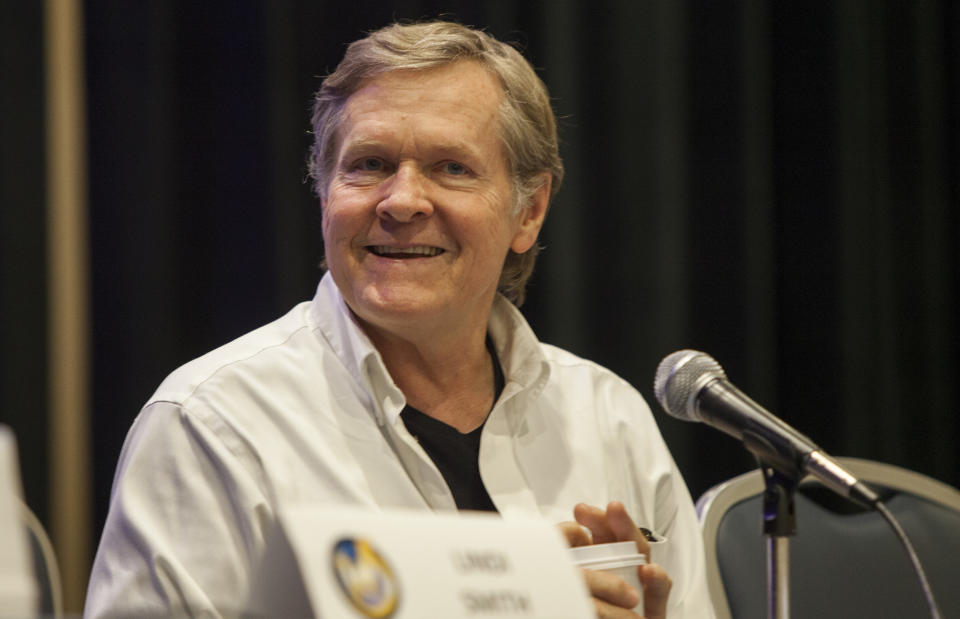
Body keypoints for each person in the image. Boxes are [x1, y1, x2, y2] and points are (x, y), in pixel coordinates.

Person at [85, 21, 714, 619]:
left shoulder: (609, 418)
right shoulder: (211, 426)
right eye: (369, 165)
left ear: (530, 212)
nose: (403, 201)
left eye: (452, 168)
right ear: (326, 192)